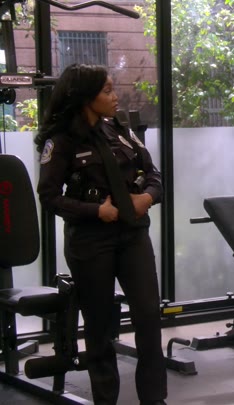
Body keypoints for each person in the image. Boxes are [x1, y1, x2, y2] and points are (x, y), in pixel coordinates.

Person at [35, 64, 167, 405]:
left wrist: (147, 197)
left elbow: (153, 173)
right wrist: (96, 211)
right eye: (107, 91)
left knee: (148, 315)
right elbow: (49, 197)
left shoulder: (119, 129)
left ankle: (154, 399)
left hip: (132, 235)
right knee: (100, 325)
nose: (114, 96)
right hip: (90, 241)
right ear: (85, 97)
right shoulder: (60, 141)